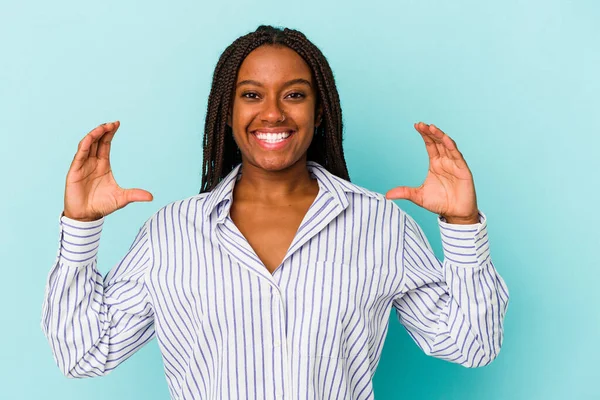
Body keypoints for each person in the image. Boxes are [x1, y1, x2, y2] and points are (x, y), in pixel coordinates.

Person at [41, 25, 509, 399]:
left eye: (294, 94)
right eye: (251, 95)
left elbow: (472, 343)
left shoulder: (381, 225)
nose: (272, 114)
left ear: (319, 110)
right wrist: (81, 228)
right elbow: (84, 354)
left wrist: (462, 226)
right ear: (226, 111)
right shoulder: (172, 233)